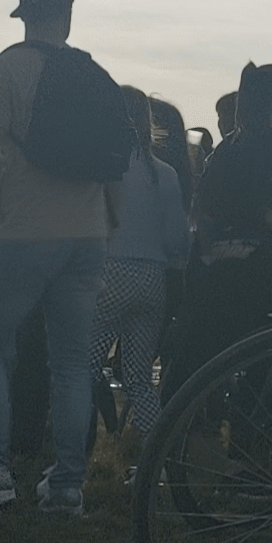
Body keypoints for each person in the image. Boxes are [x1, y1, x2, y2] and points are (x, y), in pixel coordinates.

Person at [0, 0, 124, 520]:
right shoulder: (97, 76)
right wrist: (109, 223)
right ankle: (67, 487)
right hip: (87, 233)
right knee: (73, 363)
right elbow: (116, 165)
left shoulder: (3, 70)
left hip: (24, 231)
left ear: (23, 16)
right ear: (69, 16)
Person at [163, 63, 272, 406]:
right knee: (262, 372)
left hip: (218, 273)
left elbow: (202, 212)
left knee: (202, 369)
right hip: (263, 276)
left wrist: (214, 252)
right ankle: (250, 445)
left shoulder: (226, 149)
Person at [91, 86, 191, 434]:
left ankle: (74, 451)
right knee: (139, 378)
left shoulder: (105, 165)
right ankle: (153, 455)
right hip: (152, 277)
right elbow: (178, 236)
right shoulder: (165, 172)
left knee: (83, 368)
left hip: (111, 270)